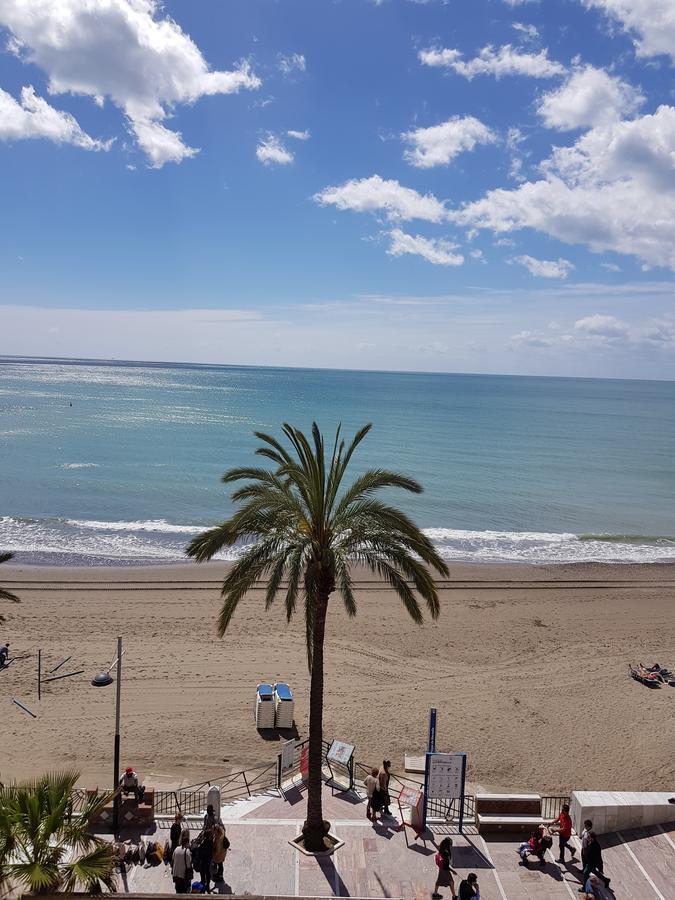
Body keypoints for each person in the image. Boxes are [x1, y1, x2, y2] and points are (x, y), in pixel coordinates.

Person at [198, 827, 214, 894]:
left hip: (202, 861)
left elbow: (199, 853)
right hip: (208, 861)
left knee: (202, 876)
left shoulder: (202, 844)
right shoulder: (211, 842)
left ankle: (203, 888)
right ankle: (207, 886)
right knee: (208, 873)